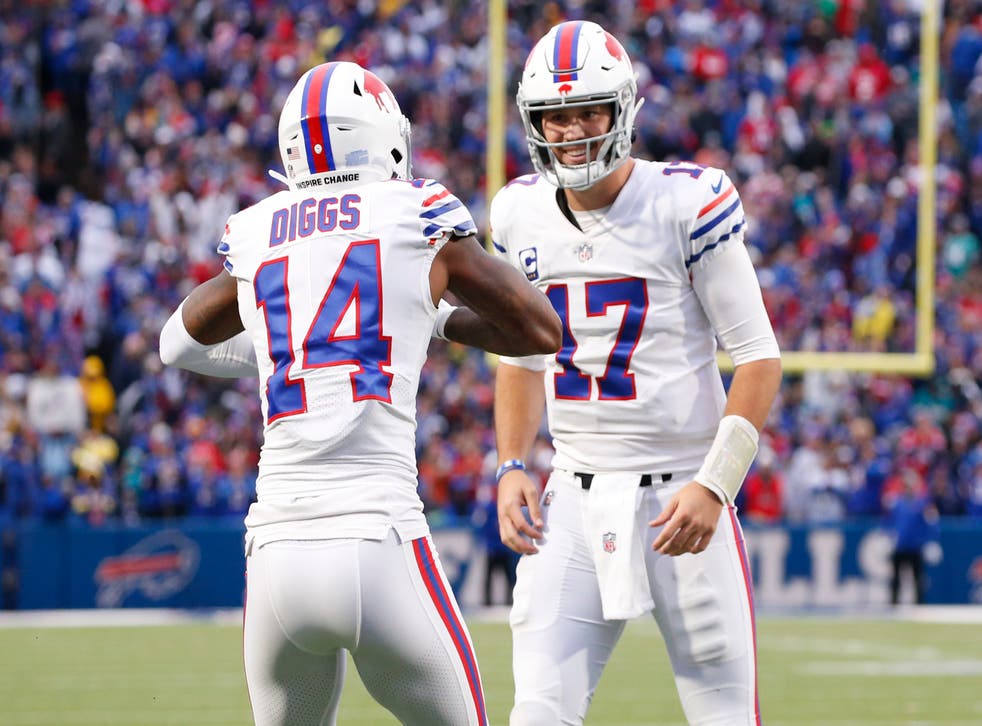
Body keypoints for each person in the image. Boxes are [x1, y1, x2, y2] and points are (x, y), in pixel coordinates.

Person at [159, 60, 561, 726]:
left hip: (276, 553)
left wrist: (291, 356)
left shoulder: (256, 229)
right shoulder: (415, 209)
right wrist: (424, 317)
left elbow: (176, 344)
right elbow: (541, 329)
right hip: (378, 540)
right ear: (384, 136)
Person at [490, 21, 783, 726]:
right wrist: (510, 464)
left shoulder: (685, 202)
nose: (572, 130)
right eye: (556, 115)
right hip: (573, 497)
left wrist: (715, 484)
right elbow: (522, 359)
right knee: (537, 711)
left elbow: (759, 359)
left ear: (622, 111)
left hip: (684, 493)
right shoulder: (519, 212)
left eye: (589, 110)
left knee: (723, 716)